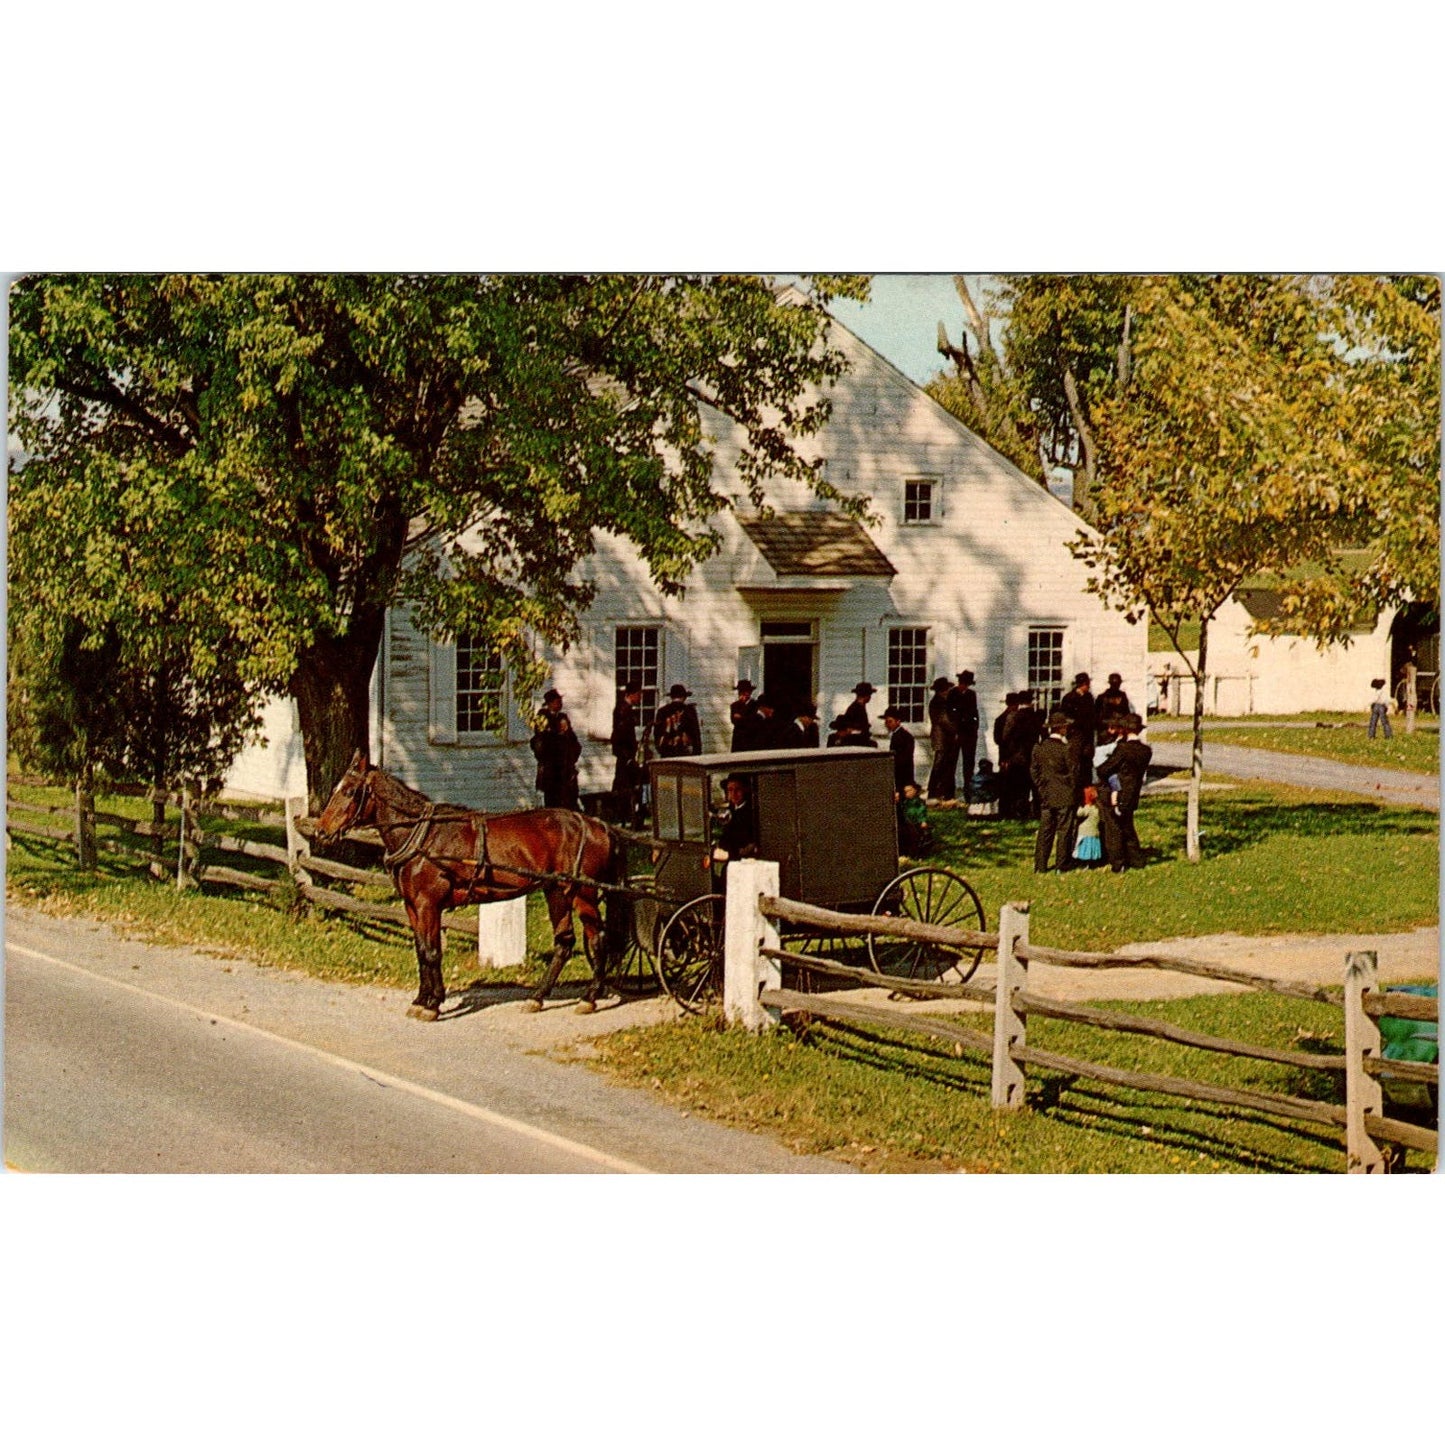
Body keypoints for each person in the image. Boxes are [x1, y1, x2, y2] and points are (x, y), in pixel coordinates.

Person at [1095, 713, 1152, 872]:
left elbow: (1104, 769)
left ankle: (1118, 862)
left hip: (1117, 793)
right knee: (1127, 826)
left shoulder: (1123, 749)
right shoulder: (1146, 751)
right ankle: (1136, 859)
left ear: (1125, 730)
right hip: (1133, 792)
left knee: (1113, 829)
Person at [1030, 711, 1077, 872]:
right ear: (1062, 728)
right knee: (1064, 830)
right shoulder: (1066, 749)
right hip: (1065, 793)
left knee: (1045, 830)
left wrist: (1041, 787)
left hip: (1046, 793)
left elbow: (1034, 771)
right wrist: (1072, 788)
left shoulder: (1039, 748)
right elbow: (1073, 772)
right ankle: (1061, 864)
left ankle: (1040, 865)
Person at [531, 687, 581, 809]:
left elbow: (573, 740)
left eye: (560, 701)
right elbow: (542, 741)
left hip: (566, 767)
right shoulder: (542, 718)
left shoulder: (563, 717)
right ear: (550, 703)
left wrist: (566, 733)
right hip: (551, 768)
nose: (560, 704)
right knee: (552, 799)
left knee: (569, 799)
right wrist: (558, 732)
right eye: (557, 701)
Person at [609, 679, 646, 823]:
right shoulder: (623, 710)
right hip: (624, 755)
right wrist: (627, 756)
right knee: (623, 785)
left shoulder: (626, 709)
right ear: (632, 694)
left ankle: (627, 814)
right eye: (639, 694)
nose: (640, 697)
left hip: (626, 754)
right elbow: (620, 736)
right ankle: (621, 815)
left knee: (628, 784)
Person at [709, 774, 757, 875]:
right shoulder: (728, 811)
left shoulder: (751, 813)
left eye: (738, 789)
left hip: (743, 865)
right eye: (730, 790)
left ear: (745, 790)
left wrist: (730, 854)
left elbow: (752, 843)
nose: (734, 794)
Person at [1059, 672, 1096, 797]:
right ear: (1083, 684)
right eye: (1087, 684)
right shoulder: (1069, 698)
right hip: (1075, 735)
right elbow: (1066, 717)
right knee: (1075, 763)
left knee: (1087, 764)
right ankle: (1074, 792)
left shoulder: (1089, 698)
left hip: (1087, 735)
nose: (1089, 686)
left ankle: (1086, 793)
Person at [948, 670, 981, 801]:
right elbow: (950, 714)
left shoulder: (971, 694)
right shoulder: (952, 693)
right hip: (956, 732)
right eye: (963, 683)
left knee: (968, 763)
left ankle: (968, 792)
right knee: (952, 763)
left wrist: (975, 727)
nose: (964, 686)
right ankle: (950, 792)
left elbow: (974, 712)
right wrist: (955, 731)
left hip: (969, 733)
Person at [926, 677, 959, 800]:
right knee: (939, 764)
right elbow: (943, 720)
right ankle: (933, 791)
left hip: (946, 738)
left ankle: (944, 792)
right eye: (946, 689)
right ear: (941, 690)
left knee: (946, 765)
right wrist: (956, 729)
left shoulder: (944, 702)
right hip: (941, 738)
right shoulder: (937, 703)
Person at [653, 683, 702, 757]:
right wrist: (697, 753)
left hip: (667, 753)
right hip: (685, 753)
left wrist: (660, 750)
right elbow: (696, 734)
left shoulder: (662, 711)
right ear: (684, 697)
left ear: (671, 697)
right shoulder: (689, 711)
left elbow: (657, 734)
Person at [882, 706, 916, 792]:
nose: (887, 725)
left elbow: (905, 757)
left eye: (890, 721)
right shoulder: (896, 735)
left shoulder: (905, 736)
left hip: (904, 773)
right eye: (886, 722)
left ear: (898, 721)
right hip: (898, 772)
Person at [1095, 673, 1132, 745]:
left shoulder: (1122, 696)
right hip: (1106, 731)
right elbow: (1096, 717)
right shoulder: (1102, 698)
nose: (1116, 686)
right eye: (1114, 684)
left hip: (1119, 731)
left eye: (1117, 684)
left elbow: (1127, 714)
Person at [1073, 785, 1104, 868]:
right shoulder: (1097, 808)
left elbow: (1078, 813)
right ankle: (1093, 862)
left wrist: (1078, 805)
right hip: (1095, 833)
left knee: (1085, 849)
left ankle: (1085, 864)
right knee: (1092, 849)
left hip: (1085, 833)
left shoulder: (1087, 808)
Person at [896, 781, 931, 855]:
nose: (908, 793)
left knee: (916, 836)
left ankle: (917, 851)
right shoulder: (905, 802)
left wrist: (923, 821)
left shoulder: (918, 802)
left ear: (915, 791)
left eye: (910, 791)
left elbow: (922, 811)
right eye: (906, 792)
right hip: (907, 822)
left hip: (916, 822)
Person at [730, 680, 759, 751]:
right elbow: (734, 720)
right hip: (738, 738)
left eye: (744, 692)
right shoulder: (735, 705)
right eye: (740, 692)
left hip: (750, 737)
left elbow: (752, 720)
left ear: (749, 692)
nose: (741, 694)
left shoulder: (755, 705)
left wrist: (741, 718)